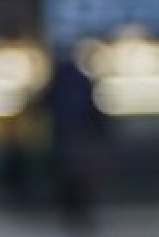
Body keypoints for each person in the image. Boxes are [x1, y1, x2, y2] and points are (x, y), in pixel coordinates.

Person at [44, 45, 110, 226]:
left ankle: (72, 208)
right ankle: (77, 208)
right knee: (76, 173)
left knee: (70, 172)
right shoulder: (81, 80)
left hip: (67, 134)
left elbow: (46, 103)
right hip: (79, 134)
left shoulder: (60, 79)